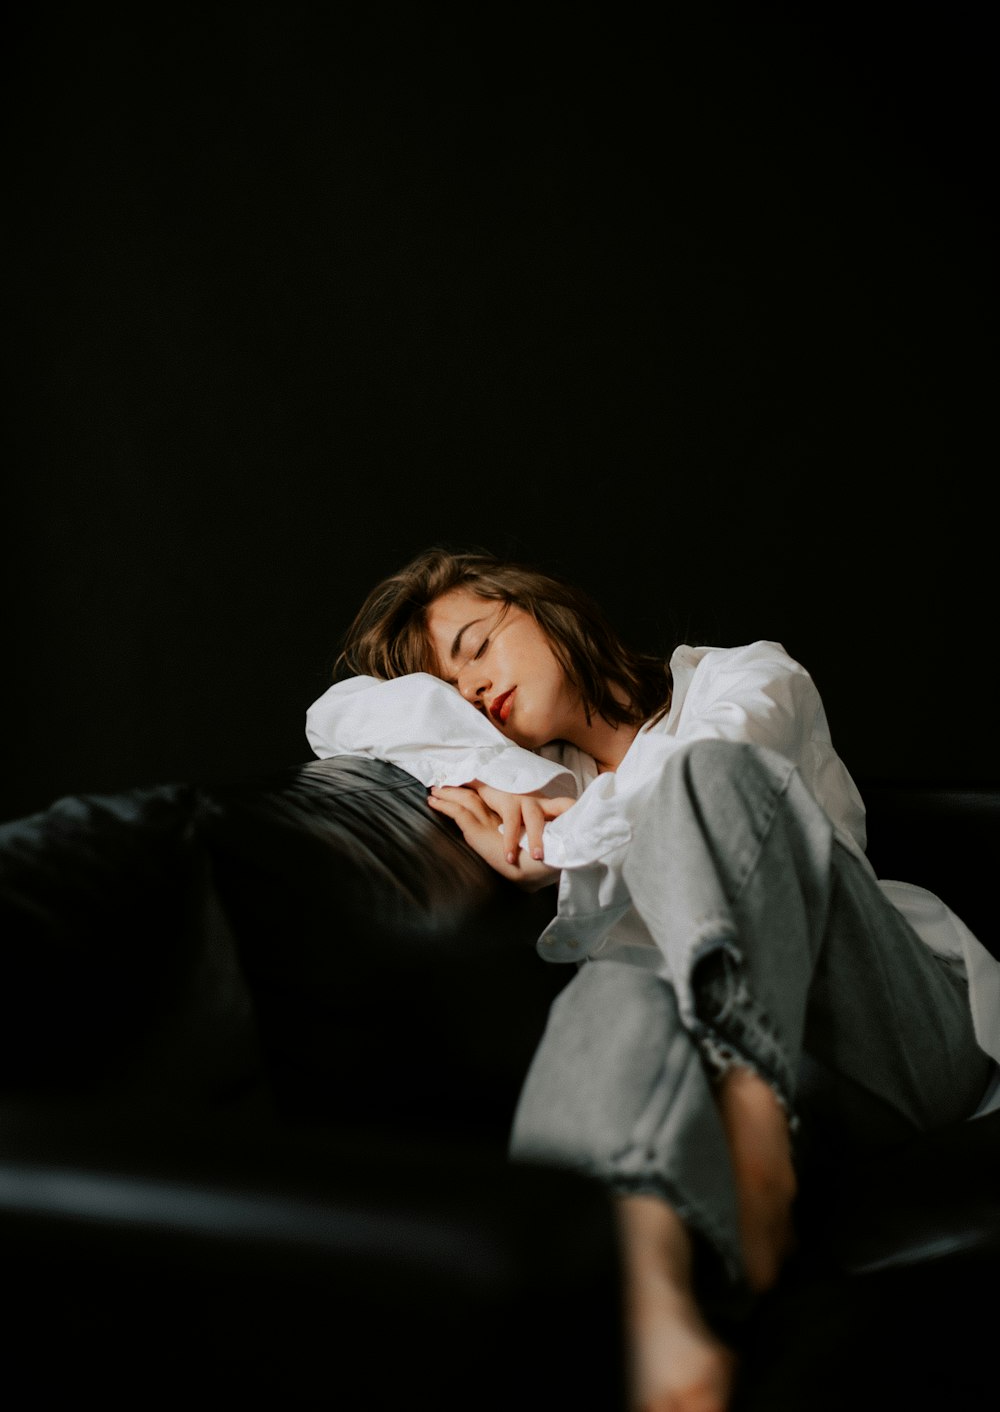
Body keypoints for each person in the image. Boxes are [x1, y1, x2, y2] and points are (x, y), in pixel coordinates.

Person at [304, 547, 1000, 1412]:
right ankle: (646, 1308)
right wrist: (480, 769)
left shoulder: (741, 678)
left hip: (888, 1036)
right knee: (615, 987)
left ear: (542, 607)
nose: (475, 691)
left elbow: (704, 775)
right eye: (450, 694)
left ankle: (754, 1115)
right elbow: (335, 717)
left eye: (478, 646)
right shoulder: (550, 783)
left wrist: (559, 847)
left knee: (709, 781)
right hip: (745, 1097)